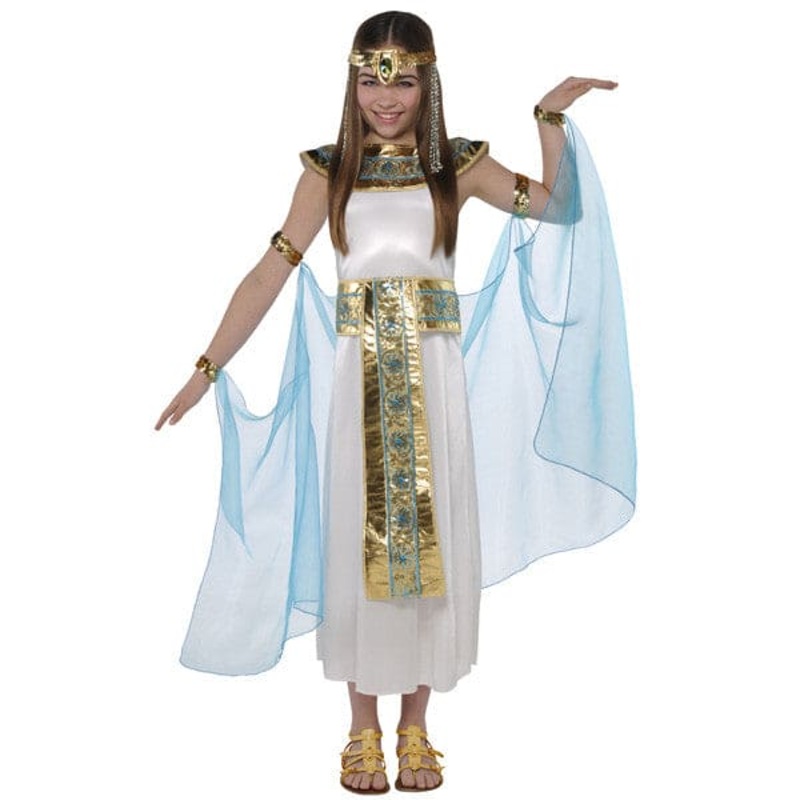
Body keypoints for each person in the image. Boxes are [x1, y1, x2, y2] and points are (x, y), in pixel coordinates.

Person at [156, 10, 635, 795]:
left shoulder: (455, 166)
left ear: (427, 83)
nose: (387, 98)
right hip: (360, 384)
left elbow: (558, 208)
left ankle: (416, 726)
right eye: (374, 82)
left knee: (429, 548)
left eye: (404, 81)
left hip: (435, 382)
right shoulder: (328, 173)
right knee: (360, 542)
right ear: (353, 83)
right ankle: (360, 729)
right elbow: (270, 272)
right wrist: (207, 367)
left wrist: (548, 119)